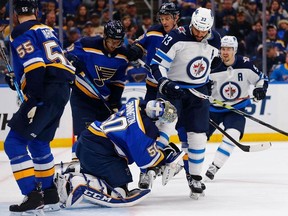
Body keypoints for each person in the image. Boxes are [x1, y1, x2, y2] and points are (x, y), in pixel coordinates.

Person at [4, 0, 75, 215]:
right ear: (36, 11)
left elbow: (35, 65)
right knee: (39, 142)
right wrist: (19, 79)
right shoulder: (46, 29)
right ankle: (50, 194)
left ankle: (32, 196)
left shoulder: (20, 31)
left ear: (15, 14)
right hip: (61, 90)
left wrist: (33, 98)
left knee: (14, 143)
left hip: (44, 89)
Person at [54, 99, 185, 208]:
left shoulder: (134, 104)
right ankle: (73, 183)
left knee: (113, 179)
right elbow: (146, 161)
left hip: (90, 141)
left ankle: (72, 170)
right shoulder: (143, 131)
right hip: (100, 151)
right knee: (119, 192)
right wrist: (165, 156)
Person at [150, 7, 221, 199]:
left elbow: (213, 61)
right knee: (165, 129)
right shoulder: (176, 36)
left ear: (210, 28)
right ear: (191, 24)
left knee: (198, 135)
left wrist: (209, 73)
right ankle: (147, 168)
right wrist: (165, 83)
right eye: (196, 29)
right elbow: (156, 64)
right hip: (175, 91)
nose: (199, 34)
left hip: (198, 93)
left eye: (203, 31)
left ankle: (195, 177)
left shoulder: (215, 39)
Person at [127, 2, 181, 189]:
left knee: (170, 121)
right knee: (148, 126)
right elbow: (139, 45)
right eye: (163, 18)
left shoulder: (183, 36)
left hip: (173, 88)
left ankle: (170, 156)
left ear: (176, 18)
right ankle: (146, 170)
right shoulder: (154, 32)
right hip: (153, 86)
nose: (164, 22)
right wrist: (135, 50)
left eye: (168, 18)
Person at [204, 36, 268, 180]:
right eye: (223, 49)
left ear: (235, 50)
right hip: (213, 110)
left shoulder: (245, 64)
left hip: (236, 110)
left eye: (228, 49)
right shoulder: (211, 65)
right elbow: (198, 84)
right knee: (198, 138)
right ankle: (182, 164)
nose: (225, 52)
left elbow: (262, 79)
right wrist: (204, 89)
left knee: (232, 135)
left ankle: (214, 166)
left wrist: (260, 90)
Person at [65, 20, 129, 160]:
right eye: (112, 41)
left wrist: (114, 102)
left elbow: (117, 81)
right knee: (85, 133)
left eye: (118, 42)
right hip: (82, 96)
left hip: (103, 100)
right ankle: (77, 161)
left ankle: (100, 165)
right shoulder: (87, 44)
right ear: (105, 36)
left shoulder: (123, 56)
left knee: (105, 135)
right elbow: (64, 55)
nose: (114, 45)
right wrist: (72, 60)